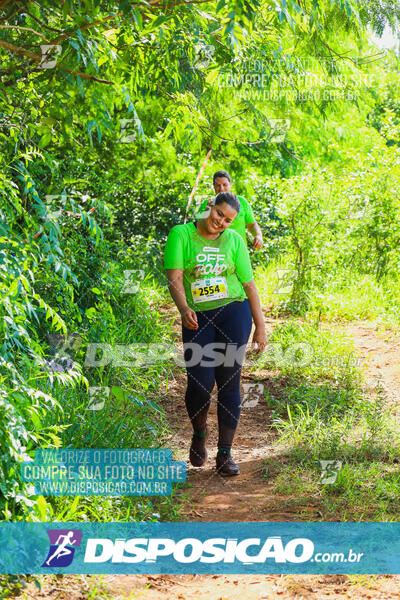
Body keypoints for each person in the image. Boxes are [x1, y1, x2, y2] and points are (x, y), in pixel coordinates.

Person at [164, 192, 267, 476]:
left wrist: (260, 326)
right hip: (198, 317)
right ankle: (199, 433)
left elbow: (249, 285)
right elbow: (174, 278)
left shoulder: (234, 240)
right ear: (211, 206)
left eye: (228, 220)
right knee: (200, 383)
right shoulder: (181, 234)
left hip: (234, 311)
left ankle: (225, 453)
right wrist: (183, 308)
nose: (220, 222)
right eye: (218, 214)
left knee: (229, 382)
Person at [196, 170, 263, 249]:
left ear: (230, 185)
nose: (221, 189)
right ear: (213, 186)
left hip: (238, 250)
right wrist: (208, 210)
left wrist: (258, 236)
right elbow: (198, 227)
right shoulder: (207, 204)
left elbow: (252, 225)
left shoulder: (242, 202)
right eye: (218, 185)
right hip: (214, 252)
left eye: (225, 185)